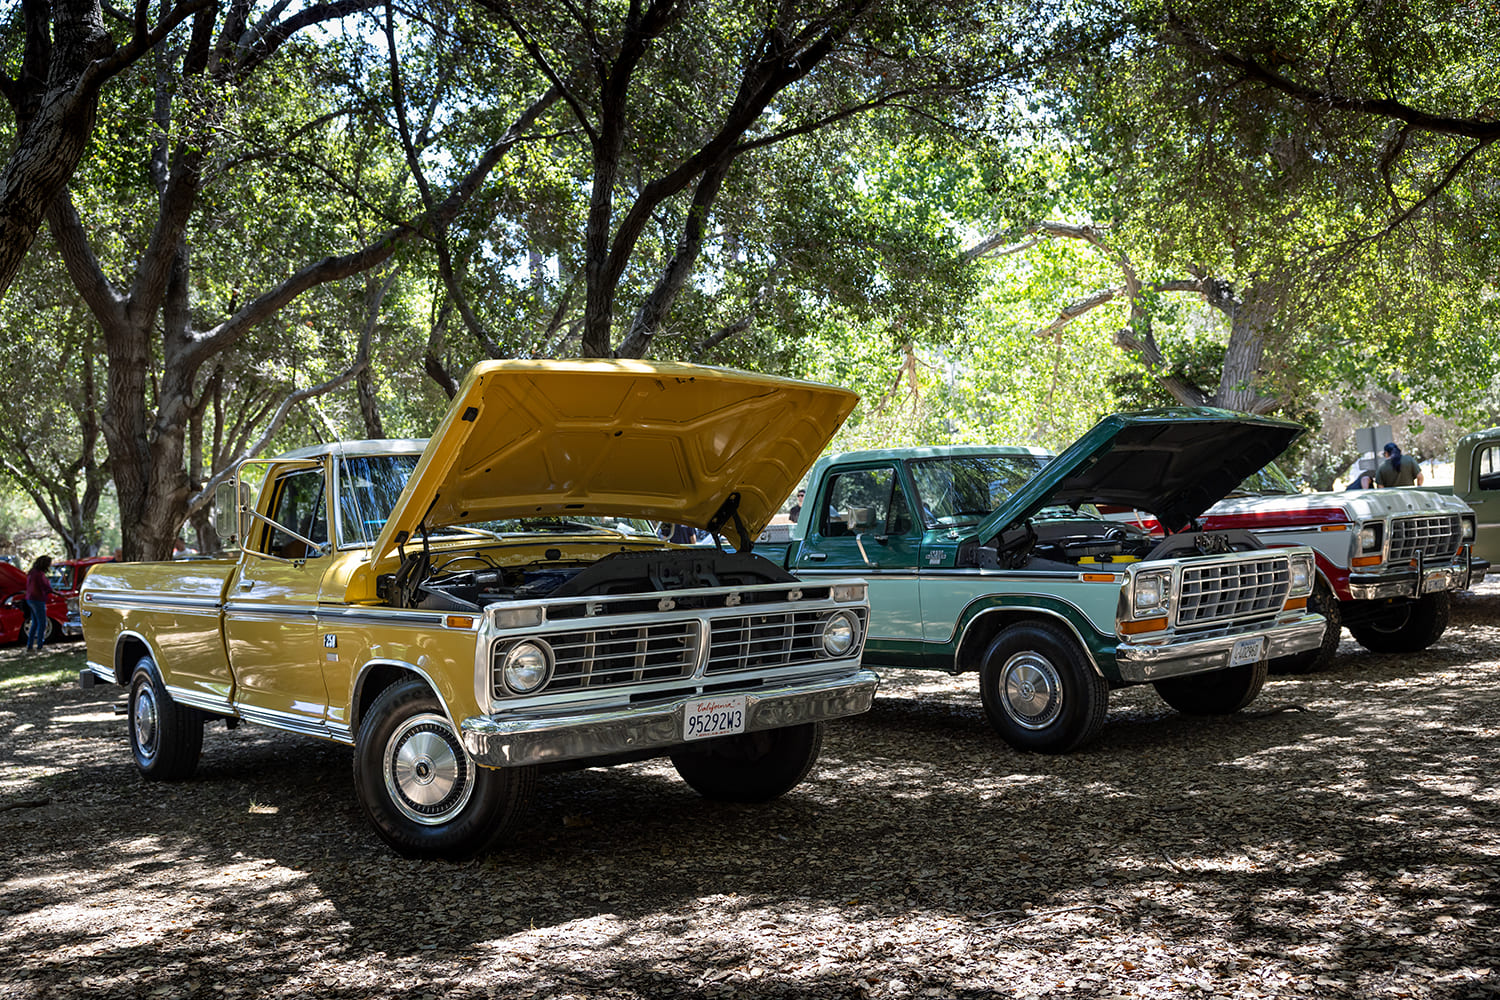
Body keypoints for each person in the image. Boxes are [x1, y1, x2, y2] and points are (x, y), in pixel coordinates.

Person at [24, 555, 53, 653]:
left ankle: (30, 645)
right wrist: (54, 592)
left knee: (35, 623)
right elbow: (45, 587)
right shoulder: (40, 574)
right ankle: (40, 645)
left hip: (30, 599)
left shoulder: (32, 572)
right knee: (42, 623)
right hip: (38, 599)